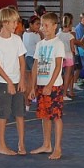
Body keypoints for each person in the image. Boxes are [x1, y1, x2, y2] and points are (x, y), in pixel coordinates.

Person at [29, 12, 66, 159]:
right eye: (42, 25)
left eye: (46, 25)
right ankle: (46, 144)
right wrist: (32, 86)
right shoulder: (40, 44)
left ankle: (57, 147)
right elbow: (35, 66)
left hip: (53, 86)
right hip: (40, 84)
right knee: (44, 116)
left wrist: (50, 84)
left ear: (55, 26)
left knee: (56, 116)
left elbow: (58, 66)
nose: (44, 28)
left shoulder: (58, 44)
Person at [0, 6, 27, 156]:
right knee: (4, 114)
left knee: (20, 114)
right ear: (5, 22)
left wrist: (22, 80)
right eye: (13, 22)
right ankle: (1, 144)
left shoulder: (17, 39)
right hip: (3, 83)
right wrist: (9, 82)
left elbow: (22, 61)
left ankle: (21, 143)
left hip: (17, 80)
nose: (16, 25)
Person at [57, 13, 78, 100]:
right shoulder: (70, 36)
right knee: (67, 76)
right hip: (69, 56)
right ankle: (64, 94)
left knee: (59, 75)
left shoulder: (58, 35)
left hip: (61, 56)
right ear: (70, 25)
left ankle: (58, 92)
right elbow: (72, 48)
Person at [23, 15, 42, 109]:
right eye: (37, 24)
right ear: (31, 24)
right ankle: (33, 97)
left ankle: (27, 102)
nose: (39, 26)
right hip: (33, 58)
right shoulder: (36, 35)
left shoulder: (25, 33)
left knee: (28, 81)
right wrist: (41, 34)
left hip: (26, 57)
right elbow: (41, 45)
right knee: (35, 81)